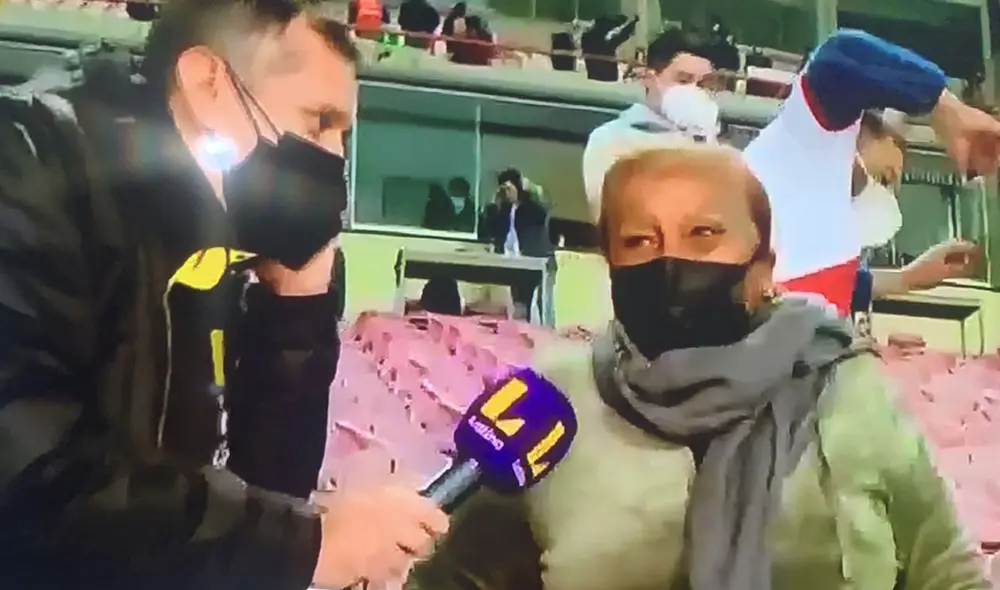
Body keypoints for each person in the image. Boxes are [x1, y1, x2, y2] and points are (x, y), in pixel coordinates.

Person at [0, 1, 447, 589]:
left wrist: (295, 312)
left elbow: (261, 490)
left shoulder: (239, 242)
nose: (334, 157)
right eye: (318, 122)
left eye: (343, 134)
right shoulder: (29, 168)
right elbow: (32, 487)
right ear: (209, 84)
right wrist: (307, 542)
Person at [406, 146, 990, 590]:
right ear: (610, 265)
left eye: (703, 235)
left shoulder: (844, 386)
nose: (670, 261)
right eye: (639, 240)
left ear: (763, 266)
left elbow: (944, 569)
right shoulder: (555, 401)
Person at [744, 29, 998, 315]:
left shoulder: (815, 222)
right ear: (867, 130)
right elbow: (842, 53)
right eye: (885, 177)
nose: (883, 192)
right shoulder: (803, 140)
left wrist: (907, 278)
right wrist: (945, 107)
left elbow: (815, 283)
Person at [583, 26, 719, 212]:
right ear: (649, 78)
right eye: (683, 81)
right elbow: (608, 215)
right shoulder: (610, 139)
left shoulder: (712, 146)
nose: (694, 92)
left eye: (703, 84)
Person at [478, 168, 554, 323]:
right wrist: (493, 203)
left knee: (538, 301)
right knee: (518, 303)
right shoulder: (505, 210)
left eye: (509, 188)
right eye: (504, 189)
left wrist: (532, 190)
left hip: (532, 260)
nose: (507, 193)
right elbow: (488, 230)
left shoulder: (530, 208)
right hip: (513, 260)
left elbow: (544, 211)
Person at [580, 14, 639, 82]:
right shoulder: (604, 45)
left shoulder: (587, 39)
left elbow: (621, 36)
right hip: (609, 77)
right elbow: (622, 36)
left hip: (595, 77)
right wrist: (633, 23)